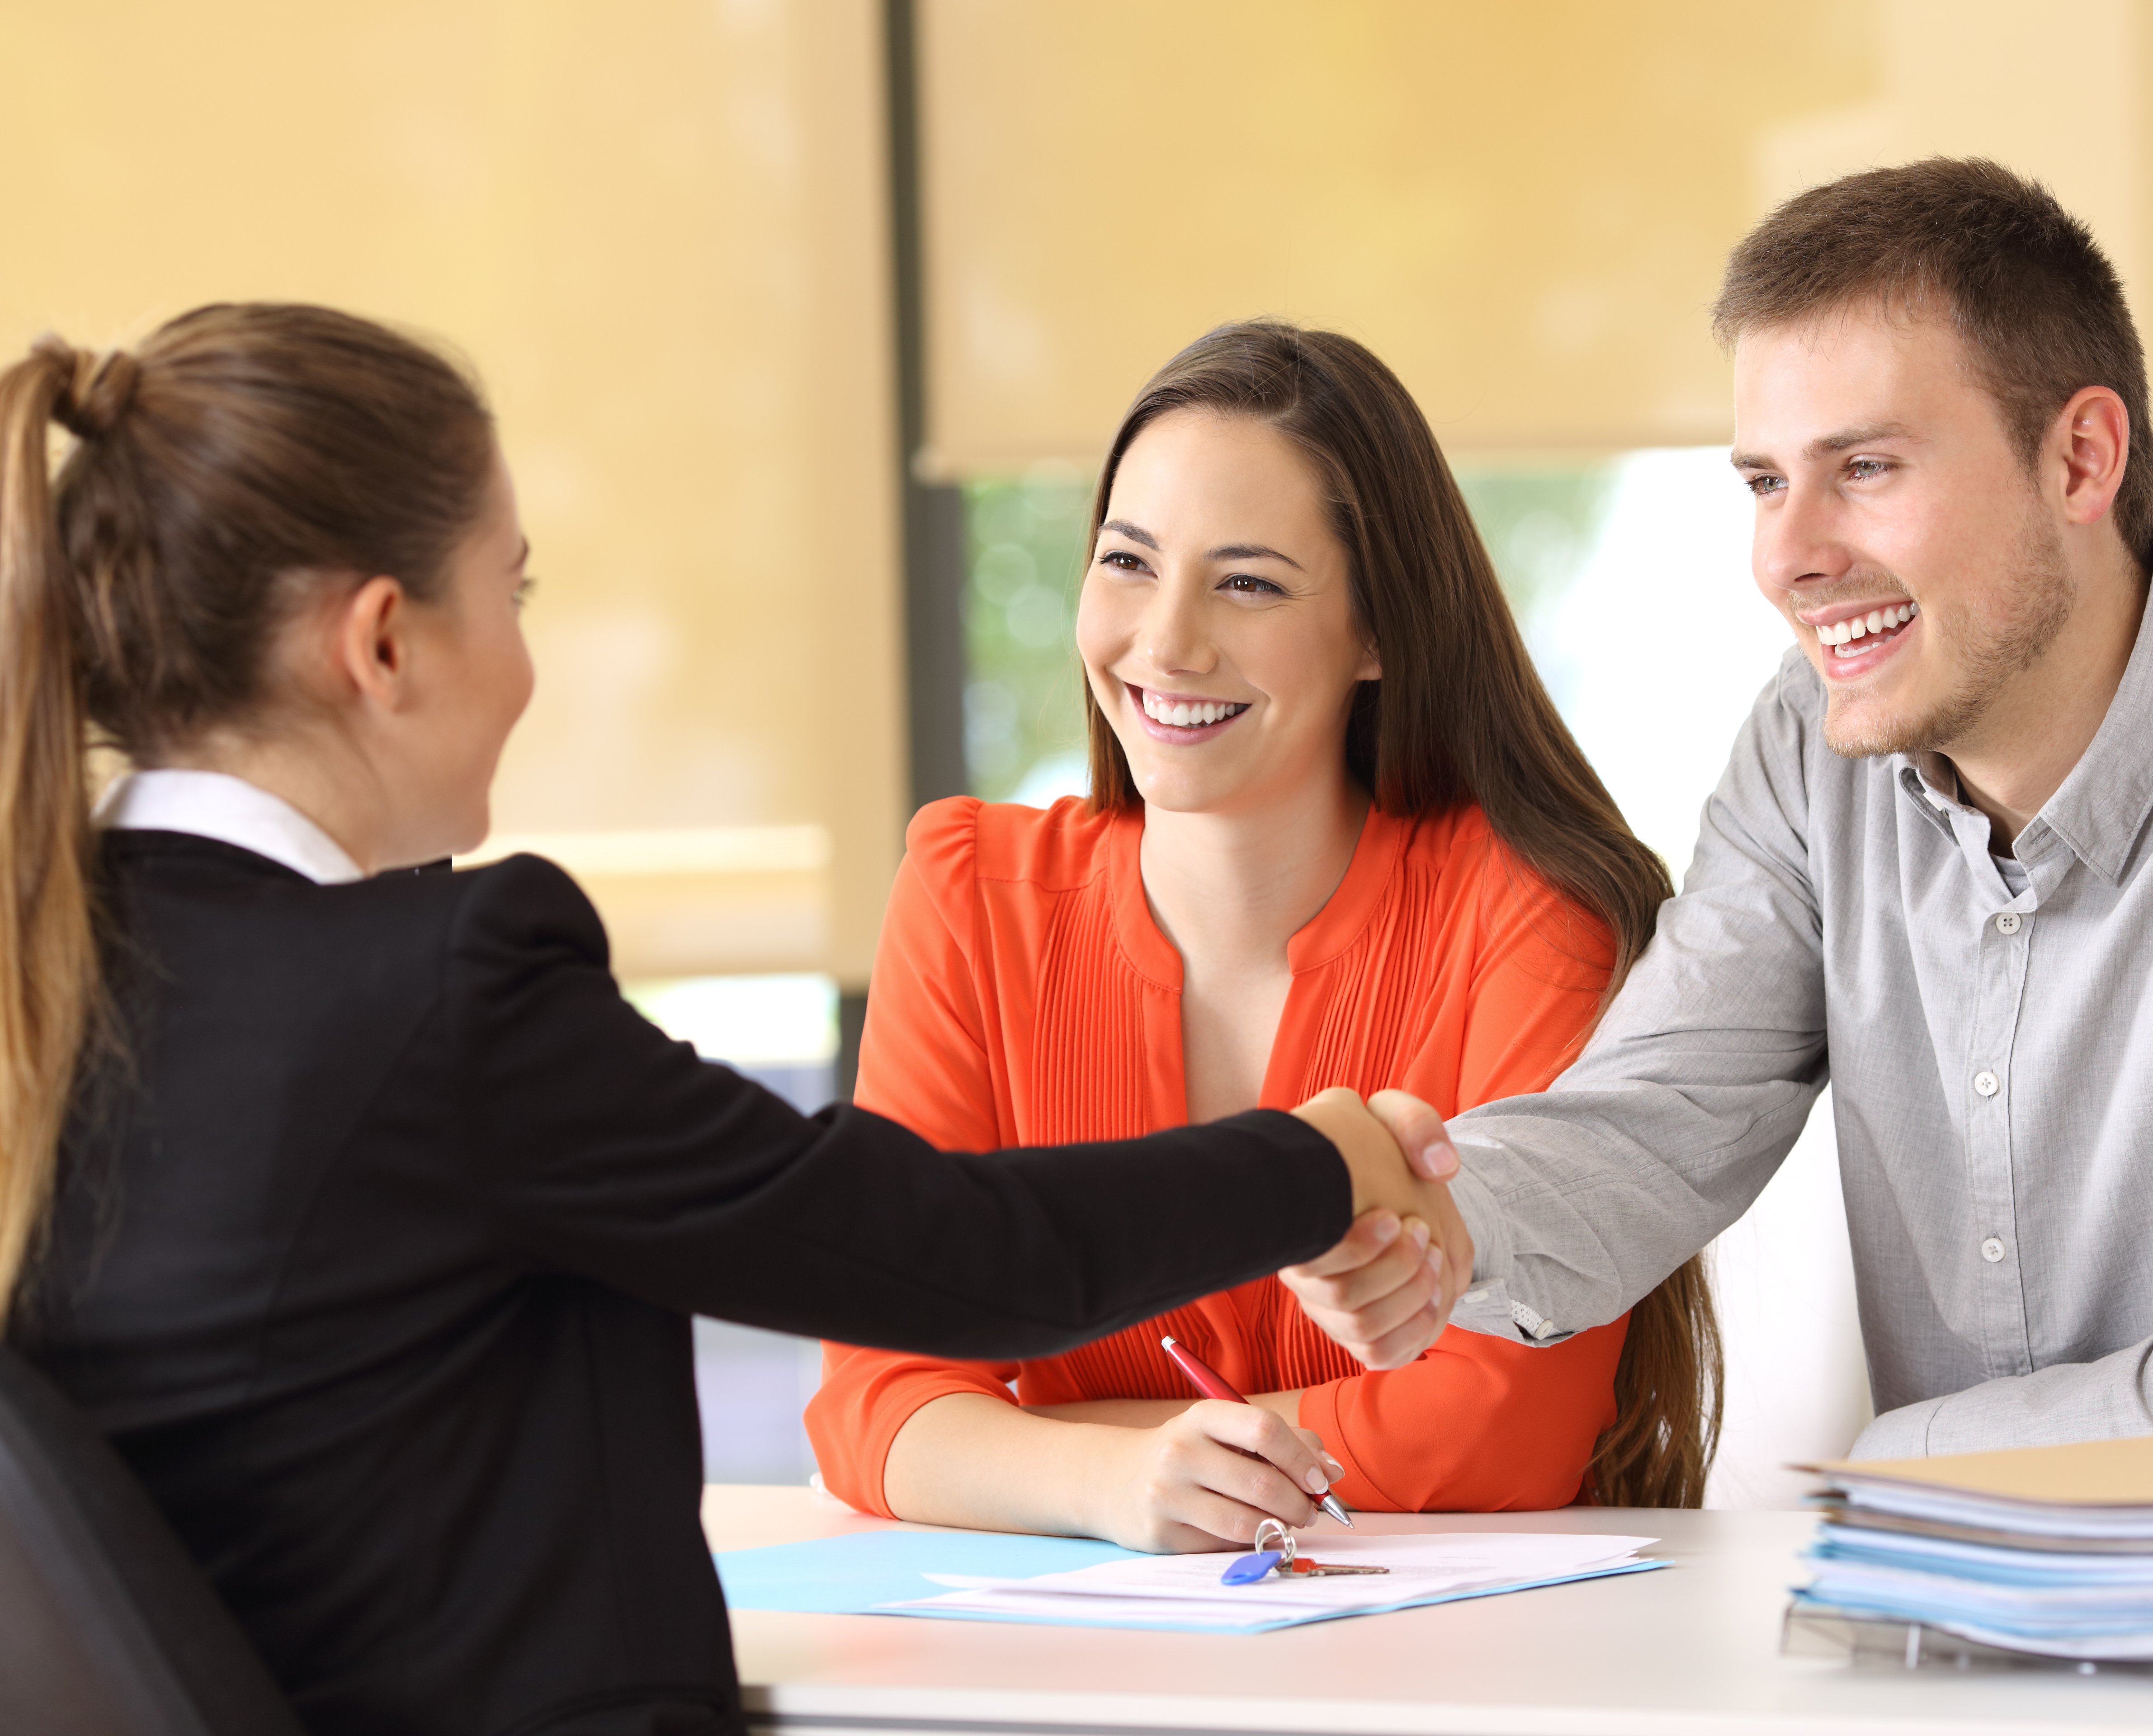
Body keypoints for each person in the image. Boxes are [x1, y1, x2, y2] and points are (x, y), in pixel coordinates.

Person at [0, 304, 1456, 1736]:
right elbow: (954, 1257)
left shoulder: (49, 981)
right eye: (511, 595)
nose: (524, 665)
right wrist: (1320, 1158)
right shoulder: (437, 995)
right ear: (383, 646)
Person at [1287, 156, 2153, 1458]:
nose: (1787, 557)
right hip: (1978, 1630)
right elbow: (1656, 1118)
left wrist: (1889, 1465)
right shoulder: (1814, 745)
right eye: (1762, 481)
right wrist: (1437, 1219)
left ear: (2082, 457)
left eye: (1863, 466)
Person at [803, 322, 1721, 1550]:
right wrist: (1115, 1486)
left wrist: (1041, 1447)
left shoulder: (1523, 917)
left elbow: (1502, 1424)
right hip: (1091, 1666)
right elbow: (876, 1394)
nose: (1165, 643)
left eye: (1247, 582)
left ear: (1381, 630)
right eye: (1128, 562)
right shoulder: (970, 895)